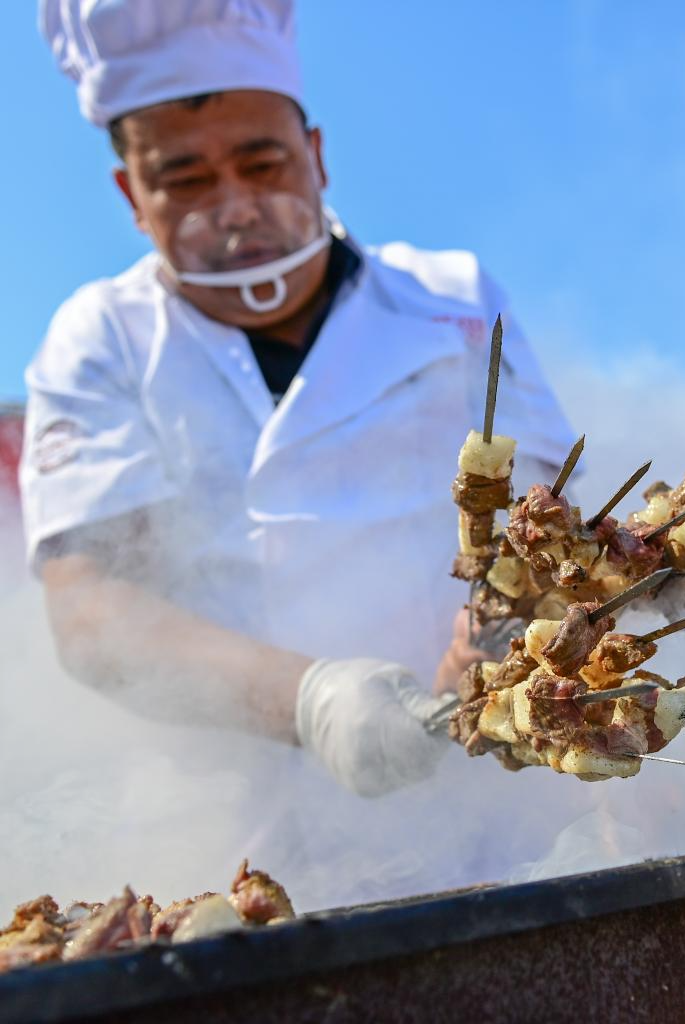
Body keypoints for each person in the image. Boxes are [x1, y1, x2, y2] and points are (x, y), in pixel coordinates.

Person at [23, 0, 574, 799]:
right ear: (131, 196)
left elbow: (547, 507)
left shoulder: (451, 296)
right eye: (184, 180)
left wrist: (494, 625)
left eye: (264, 164)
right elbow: (92, 613)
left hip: (486, 779)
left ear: (316, 157)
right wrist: (311, 701)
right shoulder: (99, 339)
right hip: (249, 809)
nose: (236, 206)